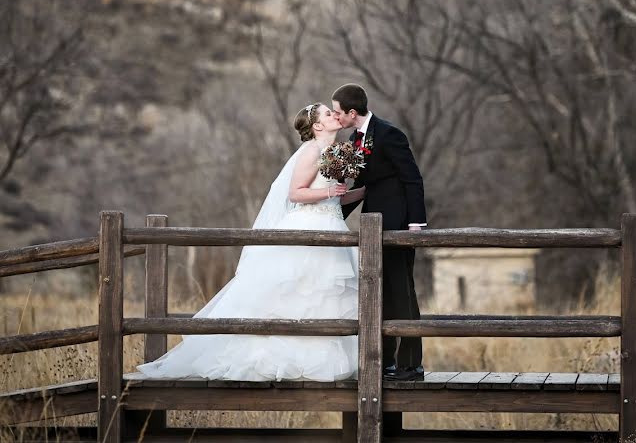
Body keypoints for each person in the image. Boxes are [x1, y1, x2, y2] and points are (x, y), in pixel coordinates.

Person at [136, 103, 366, 381]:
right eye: (328, 114)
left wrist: (364, 192)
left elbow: (334, 197)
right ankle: (281, 357)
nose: (334, 115)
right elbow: (296, 193)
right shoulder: (311, 151)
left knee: (326, 296)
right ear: (317, 126)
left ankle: (323, 360)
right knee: (299, 293)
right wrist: (331, 190)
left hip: (332, 226)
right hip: (309, 227)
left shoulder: (333, 153)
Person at [332, 83, 426, 382]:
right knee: (379, 293)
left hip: (397, 224)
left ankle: (410, 365)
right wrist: (330, 216)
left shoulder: (389, 134)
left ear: (351, 112)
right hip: (373, 225)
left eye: (337, 112)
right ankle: (385, 361)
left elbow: (412, 179)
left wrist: (416, 224)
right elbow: (360, 187)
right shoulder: (354, 138)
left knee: (402, 292)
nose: (336, 117)